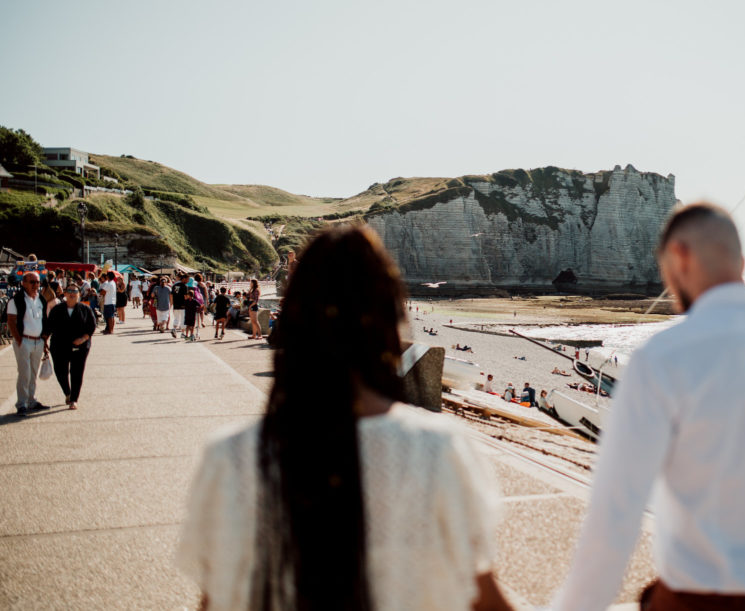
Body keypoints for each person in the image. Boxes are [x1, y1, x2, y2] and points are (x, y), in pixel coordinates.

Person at [551, 203, 745, 611]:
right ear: (740, 262)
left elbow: (616, 512)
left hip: (689, 602)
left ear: (680, 257)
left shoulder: (662, 359)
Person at [177, 225, 511, 611]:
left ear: (297, 321)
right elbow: (483, 596)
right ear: (389, 317)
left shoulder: (232, 455)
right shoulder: (438, 448)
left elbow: (215, 599)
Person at [7, 272, 52, 416]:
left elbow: (44, 319)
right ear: (24, 283)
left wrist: (44, 339)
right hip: (24, 340)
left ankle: (31, 401)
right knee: (24, 373)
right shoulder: (17, 300)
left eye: (38, 282)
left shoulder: (41, 300)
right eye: (32, 282)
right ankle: (21, 404)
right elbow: (11, 321)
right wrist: (19, 340)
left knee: (33, 373)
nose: (36, 285)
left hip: (38, 341)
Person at [47, 284, 96, 410]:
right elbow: (49, 326)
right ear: (65, 293)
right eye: (69, 291)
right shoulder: (57, 309)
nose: (72, 293)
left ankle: (74, 399)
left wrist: (83, 339)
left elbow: (91, 326)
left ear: (79, 294)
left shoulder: (85, 309)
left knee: (77, 372)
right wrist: (43, 341)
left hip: (79, 346)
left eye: (75, 291)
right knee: (60, 371)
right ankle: (67, 393)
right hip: (59, 345)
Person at [170, 272, 188, 338]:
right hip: (183, 304)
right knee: (183, 319)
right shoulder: (184, 286)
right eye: (187, 279)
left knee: (176, 318)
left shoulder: (175, 285)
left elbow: (171, 295)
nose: (187, 281)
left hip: (176, 304)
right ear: (184, 279)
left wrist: (171, 303)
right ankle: (182, 333)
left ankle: (174, 329)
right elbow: (185, 296)